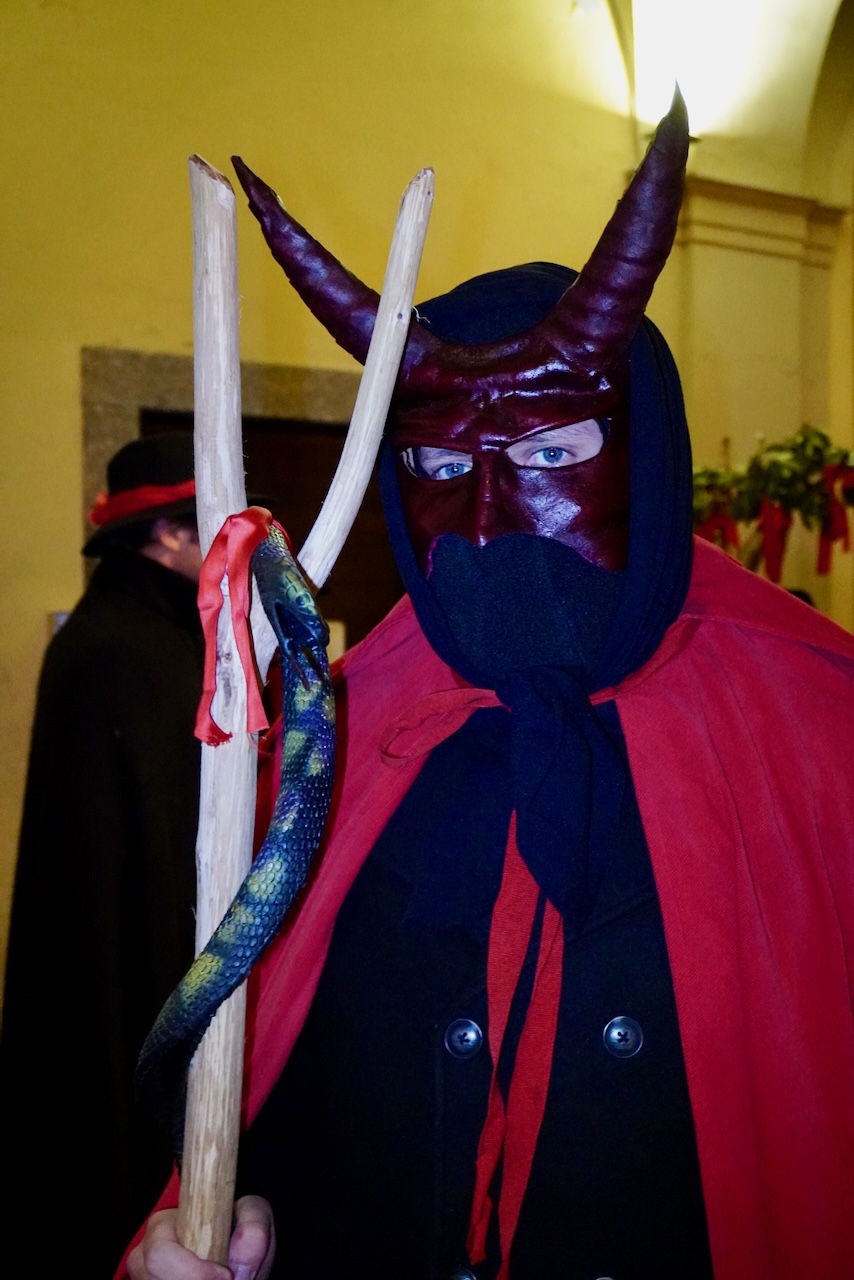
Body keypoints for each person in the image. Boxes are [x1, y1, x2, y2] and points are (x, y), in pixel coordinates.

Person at [124, 94, 854, 1280]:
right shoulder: (344, 732)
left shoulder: (815, 727)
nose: (483, 522)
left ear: (647, 456)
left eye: (554, 452)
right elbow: (272, 1088)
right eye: (436, 460)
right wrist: (233, 1226)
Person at [1, 433, 206, 1279]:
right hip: (127, 959)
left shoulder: (147, 633)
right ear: (169, 533)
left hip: (149, 944)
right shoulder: (120, 647)